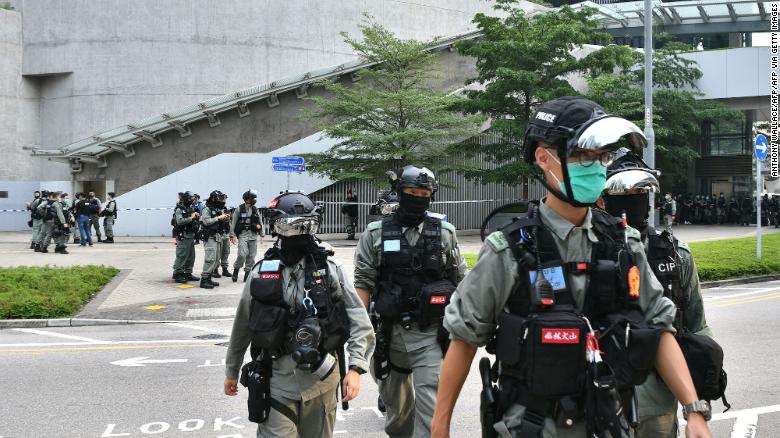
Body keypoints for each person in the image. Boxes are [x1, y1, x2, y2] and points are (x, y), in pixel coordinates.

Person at [430, 97, 712, 438]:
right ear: (544, 158)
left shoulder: (624, 243)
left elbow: (659, 325)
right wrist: (439, 425)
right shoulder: (509, 249)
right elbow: (464, 339)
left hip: (608, 422)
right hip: (533, 427)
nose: (594, 166)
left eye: (601, 156)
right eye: (581, 155)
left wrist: (693, 409)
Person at [223, 191, 375, 438]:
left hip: (322, 383)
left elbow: (359, 320)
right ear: (276, 226)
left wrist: (356, 368)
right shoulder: (262, 273)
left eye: (305, 225)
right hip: (276, 381)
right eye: (289, 226)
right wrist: (232, 370)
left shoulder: (330, 271)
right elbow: (243, 325)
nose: (298, 233)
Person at [602, 149, 715, 438]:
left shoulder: (676, 255)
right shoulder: (591, 251)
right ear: (603, 196)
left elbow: (697, 327)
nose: (630, 196)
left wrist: (697, 405)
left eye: (638, 190)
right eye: (621, 190)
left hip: (659, 400)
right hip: (601, 396)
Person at [354, 166, 467, 438]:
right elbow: (363, 282)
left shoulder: (444, 233)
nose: (418, 198)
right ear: (399, 193)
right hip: (389, 335)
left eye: (424, 194)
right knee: (398, 415)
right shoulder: (375, 233)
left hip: (431, 334)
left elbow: (462, 279)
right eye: (412, 193)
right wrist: (361, 328)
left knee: (431, 412)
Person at [229, 190, 264, 282]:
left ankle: (247, 273)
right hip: (243, 235)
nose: (254, 200)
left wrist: (262, 234)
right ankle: (236, 270)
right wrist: (232, 235)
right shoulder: (239, 209)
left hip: (253, 235)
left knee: (251, 256)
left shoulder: (255, 209)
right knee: (242, 254)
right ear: (247, 199)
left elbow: (260, 222)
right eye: (252, 198)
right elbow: (234, 222)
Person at [199, 190, 230, 289]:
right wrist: (218, 218)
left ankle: (209, 278)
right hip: (209, 237)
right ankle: (204, 280)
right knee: (210, 259)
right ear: (214, 199)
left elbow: (219, 223)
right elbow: (206, 221)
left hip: (217, 237)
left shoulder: (217, 209)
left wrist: (224, 219)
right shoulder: (206, 209)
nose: (222, 201)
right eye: (219, 198)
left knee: (216, 260)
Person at [171, 191, 201, 284]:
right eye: (191, 199)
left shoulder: (190, 208)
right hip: (183, 236)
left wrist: (196, 216)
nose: (192, 200)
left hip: (191, 235)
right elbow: (179, 221)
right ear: (186, 199)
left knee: (191, 256)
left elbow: (192, 219)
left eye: (193, 199)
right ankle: (177, 274)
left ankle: (187, 273)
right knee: (182, 255)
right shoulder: (179, 209)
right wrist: (191, 217)